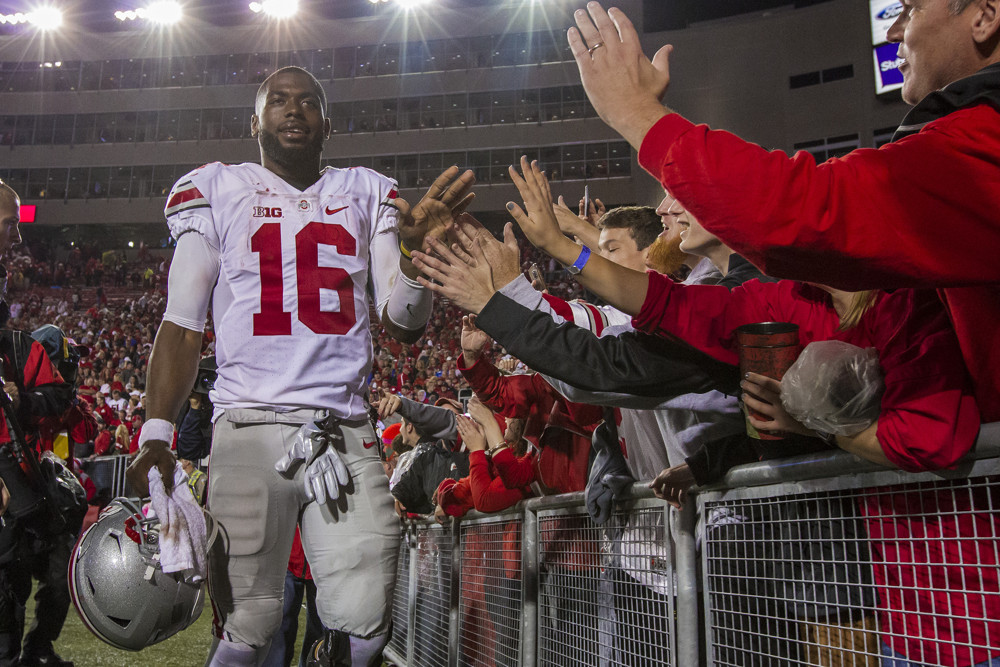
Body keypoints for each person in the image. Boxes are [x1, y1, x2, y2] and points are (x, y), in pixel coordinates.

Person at [125, 66, 474, 666]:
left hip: (343, 429)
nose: (294, 111)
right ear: (254, 121)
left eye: (308, 102)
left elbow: (404, 323)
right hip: (248, 425)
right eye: (279, 101)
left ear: (327, 124)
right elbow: (182, 322)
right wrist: (157, 432)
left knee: (367, 623)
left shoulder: (366, 190)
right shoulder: (217, 187)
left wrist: (416, 267)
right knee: (247, 626)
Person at [562, 1, 1000, 423]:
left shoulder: (983, 146)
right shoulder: (801, 295)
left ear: (985, 15)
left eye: (912, 8)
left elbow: (800, 211)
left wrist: (637, 114)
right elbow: (705, 311)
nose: (894, 30)